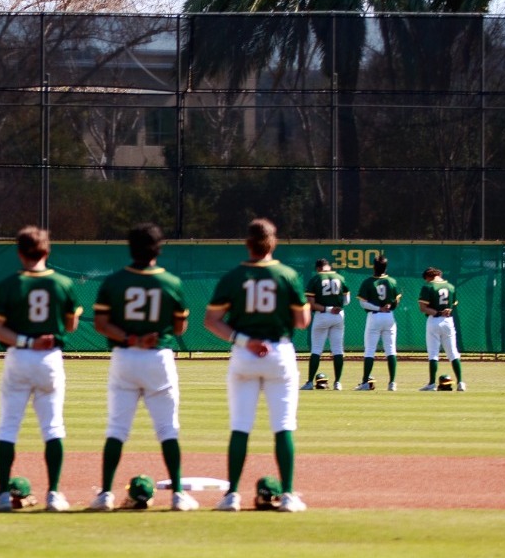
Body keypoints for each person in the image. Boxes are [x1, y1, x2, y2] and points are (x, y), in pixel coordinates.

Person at [87, 223, 197, 512]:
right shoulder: (170, 282)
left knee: (117, 429)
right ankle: (178, 496)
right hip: (158, 357)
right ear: (158, 249)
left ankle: (105, 495)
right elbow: (180, 325)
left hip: (125, 356)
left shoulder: (114, 281)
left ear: (130, 248)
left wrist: (130, 336)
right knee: (168, 428)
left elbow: (101, 324)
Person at [203, 218, 310, 512]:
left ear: (247, 243)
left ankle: (231, 495)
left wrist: (242, 339)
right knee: (283, 427)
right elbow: (302, 321)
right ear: (273, 243)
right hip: (279, 352)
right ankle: (287, 495)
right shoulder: (288, 275)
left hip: (245, 353)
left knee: (240, 427)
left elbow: (211, 321)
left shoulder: (234, 276)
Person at [0, 225, 83, 512]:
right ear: (46, 251)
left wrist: (27, 338)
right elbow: (71, 324)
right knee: (53, 426)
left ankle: (2, 495)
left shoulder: (9, 284)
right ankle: (53, 494)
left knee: (8, 426)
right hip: (50, 358)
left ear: (19, 252)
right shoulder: (62, 283)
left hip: (19, 355)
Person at [303, 258, 350, 391]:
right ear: (328, 266)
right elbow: (346, 300)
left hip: (322, 315)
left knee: (316, 350)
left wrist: (327, 309)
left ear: (318, 268)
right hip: (338, 315)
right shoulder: (340, 277)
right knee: (338, 349)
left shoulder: (316, 279)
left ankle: (309, 382)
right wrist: (337, 307)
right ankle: (337, 383)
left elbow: (310, 303)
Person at [357, 256, 401, 392]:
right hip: (389, 317)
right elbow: (397, 301)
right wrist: (389, 305)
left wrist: (378, 308)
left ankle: (365, 382)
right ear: (386, 267)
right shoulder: (392, 281)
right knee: (391, 350)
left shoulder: (368, 282)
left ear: (373, 266)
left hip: (374, 316)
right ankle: (392, 383)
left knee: (370, 350)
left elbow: (362, 303)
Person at [418, 267, 466, 391]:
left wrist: (436, 312)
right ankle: (461, 383)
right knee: (453, 352)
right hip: (448, 321)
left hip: (434, 320)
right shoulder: (450, 286)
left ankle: (432, 384)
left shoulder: (428, 287)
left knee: (433, 354)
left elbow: (423, 307)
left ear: (429, 276)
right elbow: (452, 305)